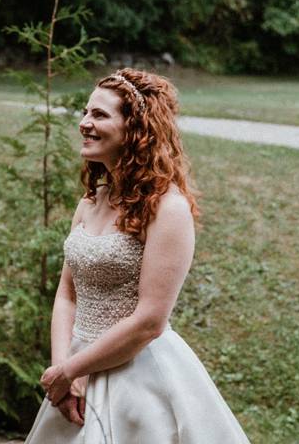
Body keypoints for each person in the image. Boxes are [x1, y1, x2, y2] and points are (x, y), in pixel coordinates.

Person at [25, 69, 249, 443]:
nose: (84, 123)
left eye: (99, 115)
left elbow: (150, 321)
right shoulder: (90, 202)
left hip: (137, 375)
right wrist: (64, 371)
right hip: (75, 368)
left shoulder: (168, 209)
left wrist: (71, 370)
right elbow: (67, 294)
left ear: (136, 128)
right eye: (85, 113)